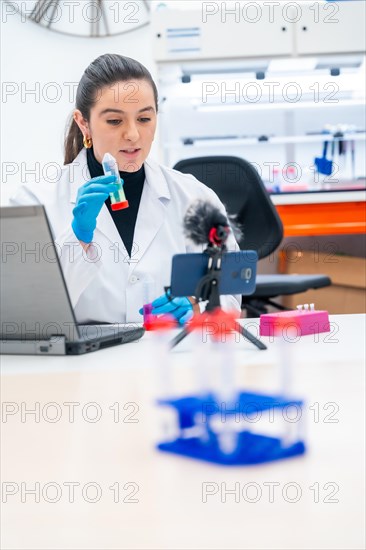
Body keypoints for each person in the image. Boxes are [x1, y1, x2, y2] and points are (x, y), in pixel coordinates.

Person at [11, 53, 240, 324]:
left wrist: (198, 307)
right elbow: (27, 312)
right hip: (85, 363)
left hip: (171, 355)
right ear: (83, 122)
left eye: (144, 119)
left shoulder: (196, 197)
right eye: (114, 121)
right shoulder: (35, 201)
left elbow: (231, 290)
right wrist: (78, 238)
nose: (132, 134)